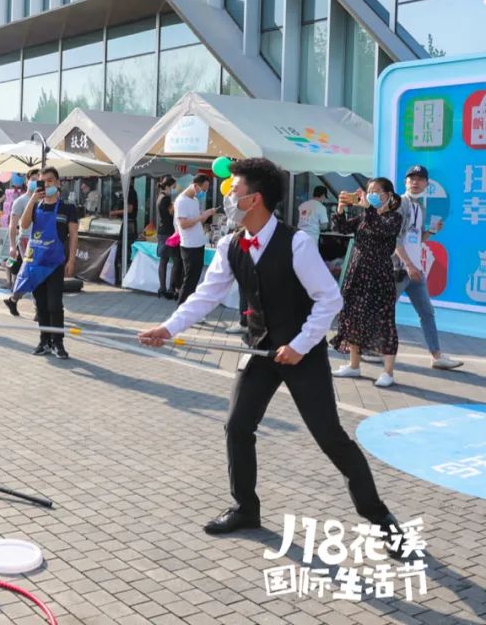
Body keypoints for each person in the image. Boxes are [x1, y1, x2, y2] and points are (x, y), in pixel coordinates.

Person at [138, 158, 405, 544]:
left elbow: (329, 300)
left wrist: (299, 345)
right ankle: (245, 507)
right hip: (260, 351)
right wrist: (167, 328)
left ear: (255, 199)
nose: (228, 197)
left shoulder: (297, 243)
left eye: (234, 191)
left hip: (302, 354)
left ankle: (381, 519)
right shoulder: (231, 244)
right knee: (237, 427)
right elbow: (206, 295)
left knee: (330, 436)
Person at [330, 180, 404, 388]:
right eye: (369, 191)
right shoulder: (364, 216)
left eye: (376, 191)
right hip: (357, 274)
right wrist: (340, 209)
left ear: (388, 195)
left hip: (379, 277)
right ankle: (354, 365)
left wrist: (368, 208)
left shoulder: (393, 218)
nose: (371, 194)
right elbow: (341, 228)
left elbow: (381, 229)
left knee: (384, 322)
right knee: (353, 317)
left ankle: (388, 372)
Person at [393, 165, 463, 371]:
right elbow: (395, 240)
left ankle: (436, 356)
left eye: (420, 179)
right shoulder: (399, 204)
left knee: (427, 313)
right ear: (405, 182)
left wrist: (432, 231)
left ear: (426, 184)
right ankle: (367, 348)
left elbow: (417, 238)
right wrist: (408, 265)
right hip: (399, 270)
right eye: (412, 178)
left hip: (416, 271)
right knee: (385, 310)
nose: (415, 182)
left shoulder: (420, 208)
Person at [17, 167, 79, 360]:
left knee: (55, 304)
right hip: (36, 263)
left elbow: (74, 236)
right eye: (43, 181)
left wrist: (71, 260)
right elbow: (23, 225)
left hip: (55, 263)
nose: (47, 184)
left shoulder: (68, 208)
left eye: (50, 180)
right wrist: (32, 200)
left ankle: (58, 343)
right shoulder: (36, 206)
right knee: (41, 305)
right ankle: (44, 341)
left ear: (58, 183)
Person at [3, 168, 41, 315]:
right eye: (33, 179)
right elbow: (12, 225)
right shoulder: (20, 201)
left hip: (41, 241)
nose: (35, 182)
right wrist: (12, 246)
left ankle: (13, 300)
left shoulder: (44, 200)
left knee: (31, 273)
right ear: (27, 181)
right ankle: (38, 309)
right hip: (26, 240)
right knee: (33, 272)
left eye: (38, 180)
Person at [174, 174, 215, 304]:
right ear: (195, 185)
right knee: (189, 280)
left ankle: (189, 307)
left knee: (194, 279)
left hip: (198, 244)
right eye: (203, 189)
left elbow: (197, 221)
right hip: (189, 246)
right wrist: (201, 217)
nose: (204, 192)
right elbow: (183, 224)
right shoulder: (181, 201)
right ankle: (181, 308)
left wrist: (206, 214)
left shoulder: (195, 200)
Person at [154, 176, 179, 300]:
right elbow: (171, 215)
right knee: (176, 260)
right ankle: (170, 289)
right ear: (168, 186)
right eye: (174, 187)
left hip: (161, 231)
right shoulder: (166, 198)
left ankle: (162, 288)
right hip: (169, 232)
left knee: (163, 260)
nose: (174, 189)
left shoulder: (160, 197)